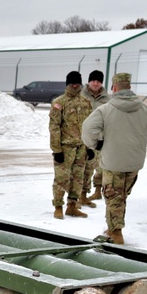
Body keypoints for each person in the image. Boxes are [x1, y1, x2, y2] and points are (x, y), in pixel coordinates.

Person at [81, 72, 147, 245]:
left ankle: (116, 233)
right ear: (129, 87)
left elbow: (88, 129)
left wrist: (96, 145)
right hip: (134, 161)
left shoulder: (105, 109)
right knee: (122, 196)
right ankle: (114, 226)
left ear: (113, 88)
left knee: (114, 197)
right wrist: (144, 139)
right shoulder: (145, 108)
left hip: (113, 161)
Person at [48, 71, 93, 219]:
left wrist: (90, 147)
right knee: (62, 178)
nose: (75, 85)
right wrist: (57, 149)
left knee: (78, 178)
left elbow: (90, 126)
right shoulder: (59, 103)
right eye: (72, 82)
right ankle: (58, 206)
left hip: (81, 147)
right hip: (65, 148)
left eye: (77, 82)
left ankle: (72, 206)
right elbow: (54, 127)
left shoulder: (86, 103)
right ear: (67, 84)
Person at [80, 70, 110, 206]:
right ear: (89, 81)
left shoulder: (107, 99)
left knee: (98, 166)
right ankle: (81, 195)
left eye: (98, 81)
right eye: (93, 80)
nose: (96, 83)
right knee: (82, 168)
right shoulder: (81, 95)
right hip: (82, 137)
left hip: (99, 138)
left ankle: (97, 191)